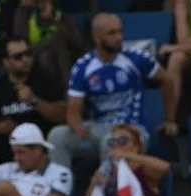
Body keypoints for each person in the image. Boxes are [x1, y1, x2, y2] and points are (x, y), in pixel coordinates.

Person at [48, 14, 177, 174]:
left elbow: (167, 80)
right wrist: (78, 127)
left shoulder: (136, 57)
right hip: (99, 128)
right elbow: (73, 111)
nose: (119, 37)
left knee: (110, 141)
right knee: (57, 136)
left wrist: (169, 119)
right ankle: (60, 193)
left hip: (132, 128)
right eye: (112, 33)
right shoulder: (83, 67)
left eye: (120, 32)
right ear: (97, 38)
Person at [0, 37, 67, 183]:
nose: (25, 59)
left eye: (28, 54)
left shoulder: (45, 79)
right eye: (18, 57)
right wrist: (1, 127)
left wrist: (34, 101)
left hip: (39, 144)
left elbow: (62, 114)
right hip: (9, 144)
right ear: (6, 62)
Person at [79, 123, 167, 196]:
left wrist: (128, 156)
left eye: (122, 140)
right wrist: (93, 185)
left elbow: (165, 168)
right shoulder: (105, 172)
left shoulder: (144, 170)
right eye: (112, 142)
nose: (116, 145)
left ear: (136, 147)